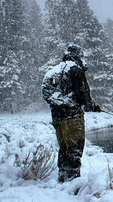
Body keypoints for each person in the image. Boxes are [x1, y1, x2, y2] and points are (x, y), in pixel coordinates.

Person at [42, 44, 101, 182]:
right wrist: (91, 106)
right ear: (78, 56)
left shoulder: (54, 70)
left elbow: (46, 93)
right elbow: (83, 95)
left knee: (63, 149)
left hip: (57, 117)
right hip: (73, 117)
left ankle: (62, 177)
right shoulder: (75, 70)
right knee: (74, 149)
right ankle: (72, 181)